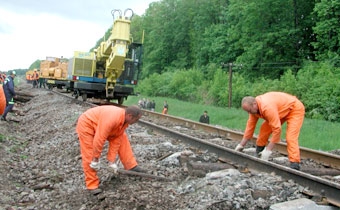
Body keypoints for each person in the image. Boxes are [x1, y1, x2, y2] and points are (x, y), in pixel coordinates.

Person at [76, 105, 146, 195]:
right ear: (130, 116)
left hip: (101, 124)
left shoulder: (125, 121)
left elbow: (116, 140)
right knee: (89, 154)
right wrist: (95, 159)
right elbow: (100, 138)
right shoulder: (112, 119)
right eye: (136, 120)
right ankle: (92, 185)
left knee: (122, 138)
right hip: (87, 124)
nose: (137, 122)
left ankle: (131, 166)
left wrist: (111, 161)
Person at [234, 92, 305, 170]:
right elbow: (250, 127)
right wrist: (241, 145)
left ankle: (294, 163)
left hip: (294, 109)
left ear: (254, 104)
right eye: (247, 111)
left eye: (249, 110)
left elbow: (277, 130)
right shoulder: (254, 110)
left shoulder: (267, 108)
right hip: (280, 110)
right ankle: (259, 152)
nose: (249, 113)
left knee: (290, 137)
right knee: (264, 129)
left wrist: (268, 150)